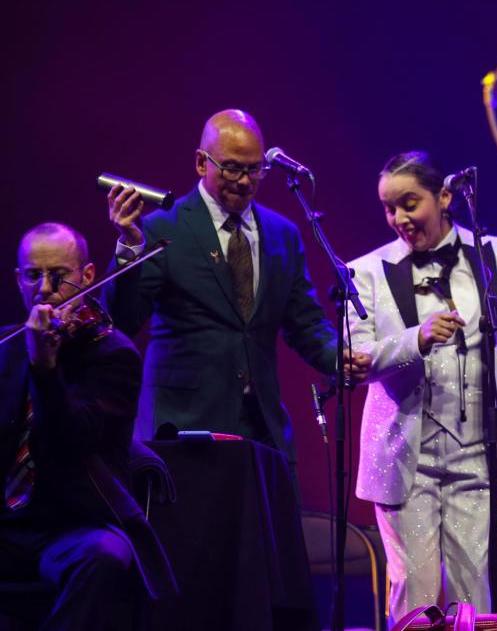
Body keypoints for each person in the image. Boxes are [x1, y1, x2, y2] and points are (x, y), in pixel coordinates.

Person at [347, 151, 497, 619]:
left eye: (410, 203)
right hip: (405, 454)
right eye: (389, 208)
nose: (399, 218)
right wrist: (416, 338)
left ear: (445, 198)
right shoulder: (364, 271)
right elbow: (357, 359)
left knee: (473, 592)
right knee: (416, 589)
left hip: (480, 453)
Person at [102, 109, 369, 459]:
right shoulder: (162, 227)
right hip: (183, 424)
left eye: (254, 169)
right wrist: (130, 247)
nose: (244, 181)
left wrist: (337, 356)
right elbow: (123, 320)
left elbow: (305, 323)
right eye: (231, 168)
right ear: (202, 163)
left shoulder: (282, 234)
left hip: (261, 425)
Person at [1, 223, 177, 629]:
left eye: (59, 275)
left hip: (72, 524)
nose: (45, 290)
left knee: (105, 556)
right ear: (18, 279)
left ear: (88, 275)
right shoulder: (7, 347)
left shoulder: (112, 356)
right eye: (33, 275)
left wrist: (45, 371)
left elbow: (70, 443)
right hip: (9, 527)